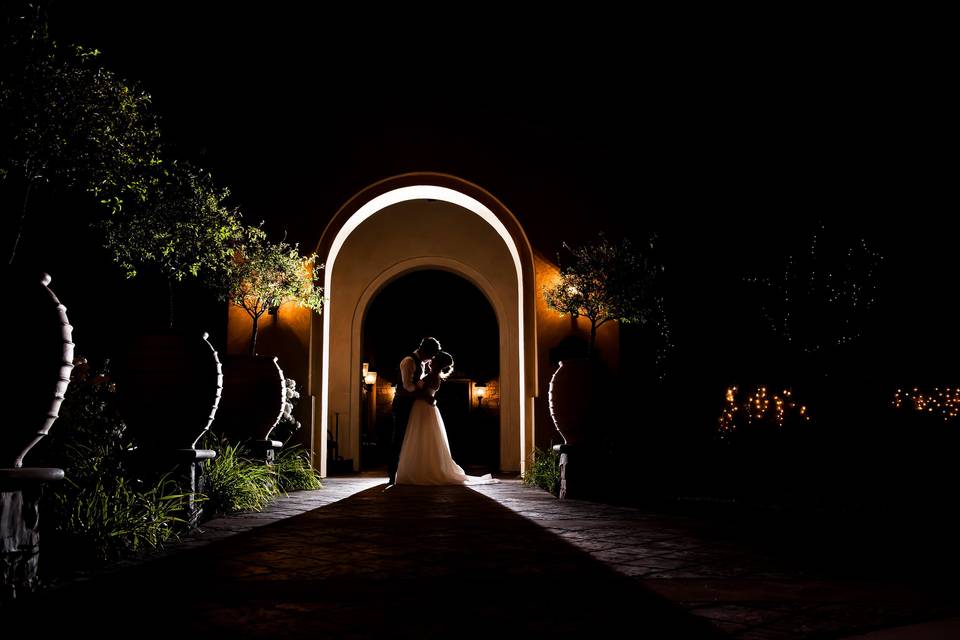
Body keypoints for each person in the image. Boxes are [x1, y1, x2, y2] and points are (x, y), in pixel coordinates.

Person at [395, 351, 498, 485]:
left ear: (438, 363)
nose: (431, 359)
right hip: (425, 408)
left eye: (435, 359)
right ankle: (422, 468)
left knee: (421, 437)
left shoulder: (431, 376)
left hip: (422, 408)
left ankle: (420, 471)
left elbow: (419, 392)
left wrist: (407, 391)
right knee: (423, 437)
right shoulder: (433, 376)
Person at [388, 337, 441, 486]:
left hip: (414, 405)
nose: (432, 358)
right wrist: (425, 396)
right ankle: (392, 474)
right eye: (432, 354)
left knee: (411, 438)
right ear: (425, 350)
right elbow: (408, 387)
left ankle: (408, 471)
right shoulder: (409, 362)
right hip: (402, 404)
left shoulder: (422, 363)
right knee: (399, 438)